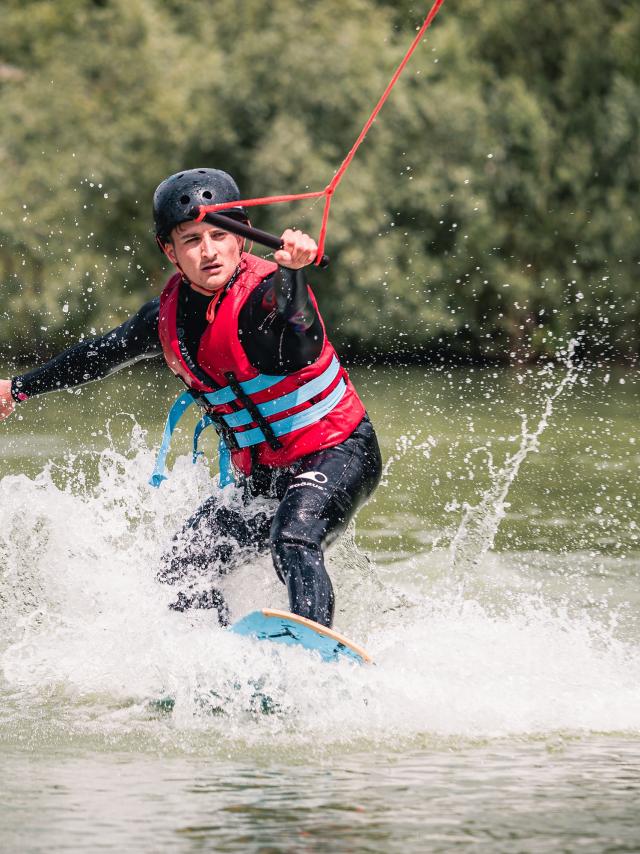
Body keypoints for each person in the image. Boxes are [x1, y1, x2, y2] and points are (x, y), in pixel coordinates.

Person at [0, 168, 382, 628]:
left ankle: (314, 658)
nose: (209, 251)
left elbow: (298, 344)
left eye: (220, 235)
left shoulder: (268, 291)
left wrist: (293, 275)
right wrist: (17, 388)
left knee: (295, 537)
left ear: (241, 239)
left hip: (338, 451)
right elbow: (97, 357)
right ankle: (217, 654)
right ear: (170, 250)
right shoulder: (166, 317)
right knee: (180, 570)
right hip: (264, 477)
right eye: (192, 240)